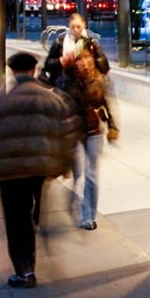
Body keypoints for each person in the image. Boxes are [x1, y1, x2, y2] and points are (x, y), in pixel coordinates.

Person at [0, 48, 75, 288]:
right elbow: (66, 132)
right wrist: (64, 164)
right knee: (31, 211)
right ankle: (31, 249)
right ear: (33, 70)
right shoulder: (53, 98)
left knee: (15, 219)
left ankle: (24, 270)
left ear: (12, 72)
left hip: (8, 172)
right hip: (38, 169)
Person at [60, 30, 117, 229]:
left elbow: (107, 103)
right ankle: (76, 198)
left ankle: (88, 215)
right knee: (80, 174)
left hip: (93, 131)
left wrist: (112, 125)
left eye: (88, 58)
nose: (85, 63)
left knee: (91, 173)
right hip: (75, 131)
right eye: (81, 59)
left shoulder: (100, 79)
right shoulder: (67, 79)